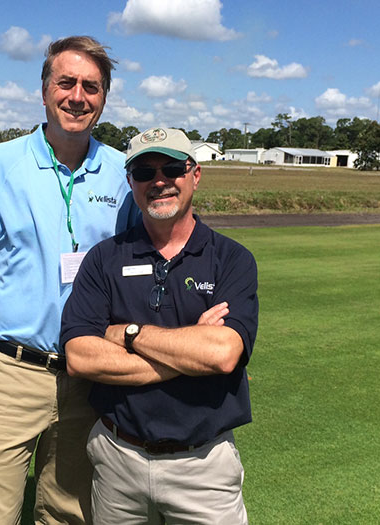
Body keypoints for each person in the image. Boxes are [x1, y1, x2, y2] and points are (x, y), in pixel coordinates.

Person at [0, 36, 138, 525]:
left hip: (89, 376)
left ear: (104, 98)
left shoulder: (122, 173)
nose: (77, 96)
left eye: (91, 86)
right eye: (65, 82)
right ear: (44, 90)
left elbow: (141, 264)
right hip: (9, 373)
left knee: (71, 513)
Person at [60, 127, 259, 524]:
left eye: (172, 168)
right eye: (145, 172)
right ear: (131, 182)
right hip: (119, 459)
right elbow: (80, 357)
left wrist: (129, 335)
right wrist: (188, 352)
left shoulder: (232, 259)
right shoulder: (103, 259)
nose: (160, 181)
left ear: (195, 175)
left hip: (204, 465)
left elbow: (222, 355)